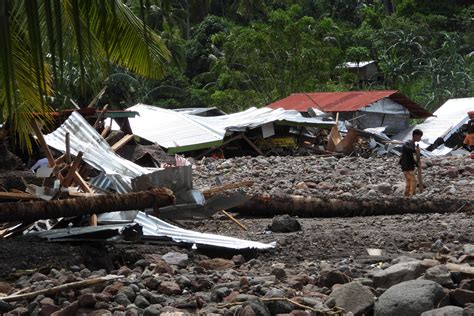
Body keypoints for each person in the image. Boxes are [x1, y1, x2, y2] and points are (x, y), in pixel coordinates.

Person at [399, 129, 423, 197]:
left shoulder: (413, 144)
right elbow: (404, 147)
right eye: (420, 136)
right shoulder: (408, 143)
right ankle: (412, 195)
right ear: (415, 135)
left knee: (408, 181)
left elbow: (411, 157)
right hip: (406, 165)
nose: (420, 138)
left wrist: (416, 164)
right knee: (414, 181)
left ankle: (406, 195)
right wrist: (414, 151)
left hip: (408, 165)